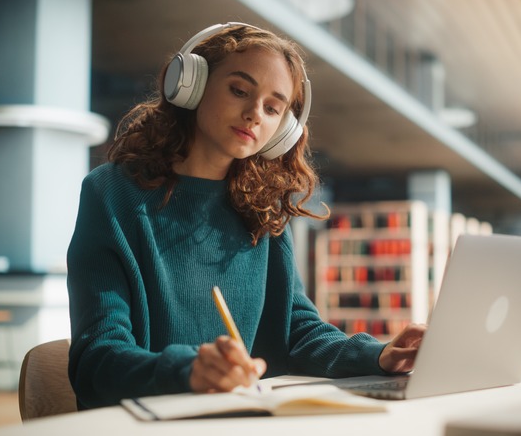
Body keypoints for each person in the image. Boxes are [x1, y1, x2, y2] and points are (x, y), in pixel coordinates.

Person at [66, 22, 426, 409]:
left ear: (282, 129)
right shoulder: (112, 194)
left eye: (273, 108)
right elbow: (97, 357)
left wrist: (378, 355)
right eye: (239, 90)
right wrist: (188, 372)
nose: (255, 114)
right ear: (192, 84)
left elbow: (299, 332)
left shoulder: (263, 209)